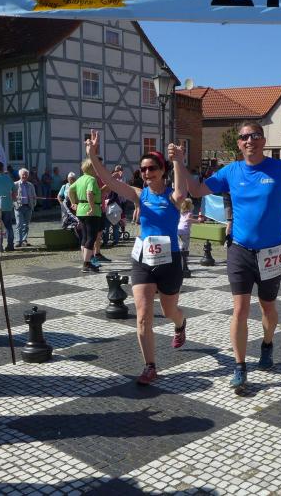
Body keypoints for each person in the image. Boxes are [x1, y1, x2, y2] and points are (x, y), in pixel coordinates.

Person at [182, 120, 281, 393]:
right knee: (240, 309)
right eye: (244, 137)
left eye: (255, 136)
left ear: (263, 141)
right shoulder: (231, 171)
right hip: (240, 250)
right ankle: (239, 366)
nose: (249, 141)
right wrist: (179, 163)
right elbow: (196, 191)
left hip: (271, 253)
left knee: (268, 308)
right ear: (239, 143)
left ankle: (267, 343)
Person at [85, 131, 188, 384]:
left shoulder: (172, 197)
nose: (147, 173)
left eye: (152, 168)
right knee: (143, 316)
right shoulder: (139, 194)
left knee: (169, 310)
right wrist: (93, 156)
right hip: (143, 260)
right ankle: (150, 366)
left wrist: (178, 160)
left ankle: (180, 323)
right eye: (143, 169)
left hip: (170, 260)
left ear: (162, 170)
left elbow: (181, 190)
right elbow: (109, 180)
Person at [68, 159, 103, 273]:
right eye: (95, 167)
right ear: (91, 168)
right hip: (91, 211)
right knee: (91, 238)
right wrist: (92, 208)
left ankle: (86, 261)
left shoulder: (80, 179)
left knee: (85, 237)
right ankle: (86, 263)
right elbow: (89, 193)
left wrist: (73, 203)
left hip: (81, 210)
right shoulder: (91, 179)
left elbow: (70, 190)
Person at [14, 168, 37, 247]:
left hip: (28, 207)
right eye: (23, 175)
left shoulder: (30, 185)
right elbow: (12, 195)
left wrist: (33, 204)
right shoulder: (15, 184)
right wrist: (14, 204)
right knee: (19, 224)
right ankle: (18, 241)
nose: (24, 176)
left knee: (26, 225)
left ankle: (24, 240)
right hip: (19, 207)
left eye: (26, 175)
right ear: (20, 175)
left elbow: (34, 195)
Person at [178, 197, 197, 276]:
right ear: (190, 206)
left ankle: (180, 257)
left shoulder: (181, 213)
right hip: (185, 231)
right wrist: (198, 221)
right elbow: (189, 219)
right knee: (185, 246)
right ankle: (184, 259)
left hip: (179, 230)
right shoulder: (189, 213)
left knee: (180, 245)